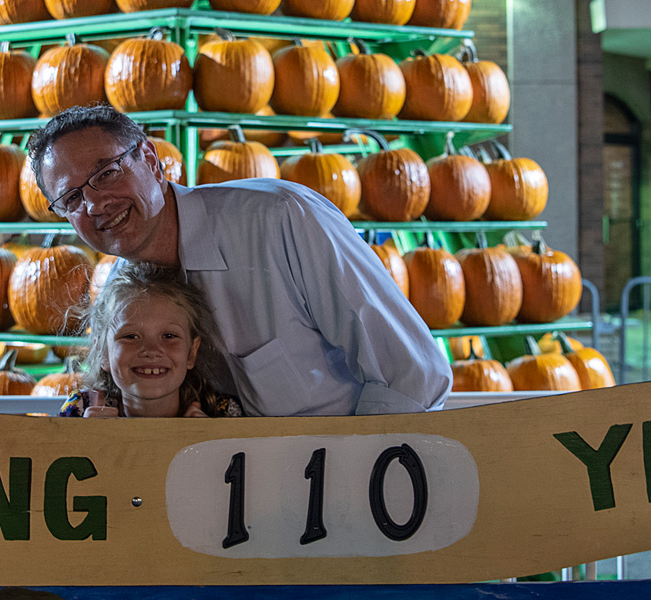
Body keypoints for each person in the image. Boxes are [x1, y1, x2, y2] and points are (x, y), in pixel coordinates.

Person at [26, 105, 453, 417]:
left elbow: (412, 374)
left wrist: (356, 486)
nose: (97, 202)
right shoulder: (125, 292)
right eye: (71, 197)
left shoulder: (281, 219)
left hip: (340, 486)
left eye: (107, 173)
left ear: (152, 161)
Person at [59, 261, 242, 418]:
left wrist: (207, 444)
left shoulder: (220, 414)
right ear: (103, 352)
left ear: (191, 353)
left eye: (169, 336)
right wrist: (84, 438)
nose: (151, 350)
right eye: (131, 336)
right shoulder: (80, 410)